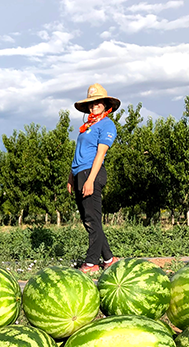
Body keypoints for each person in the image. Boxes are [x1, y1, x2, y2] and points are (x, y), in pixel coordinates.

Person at [67, 83, 121, 274]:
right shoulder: (86, 127)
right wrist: (71, 176)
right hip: (80, 173)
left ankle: (92, 263)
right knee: (88, 219)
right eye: (91, 104)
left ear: (105, 105)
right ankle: (109, 258)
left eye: (97, 103)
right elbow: (78, 152)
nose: (93, 106)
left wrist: (90, 179)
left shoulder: (107, 125)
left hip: (92, 173)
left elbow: (100, 154)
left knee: (92, 218)